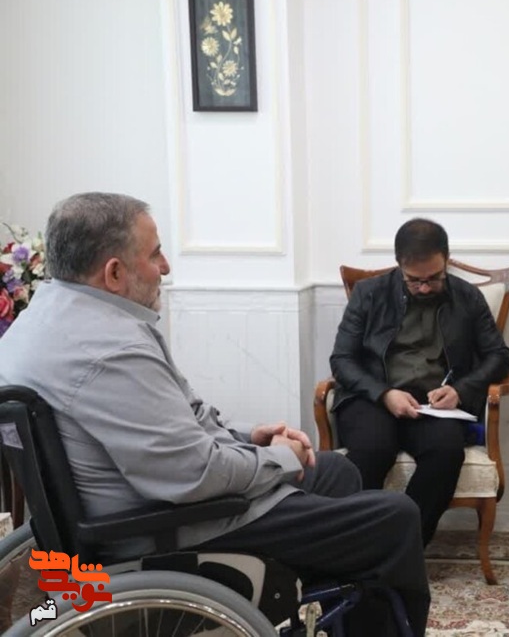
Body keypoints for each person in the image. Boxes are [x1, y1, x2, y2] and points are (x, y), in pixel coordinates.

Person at [0, 192, 430, 635]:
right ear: (114, 272)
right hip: (168, 528)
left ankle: (318, 593)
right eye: (155, 254)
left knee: (335, 472)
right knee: (394, 518)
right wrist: (279, 458)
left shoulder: (42, 321)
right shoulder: (111, 350)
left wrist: (249, 437)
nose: (166, 266)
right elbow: (194, 475)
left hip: (126, 511)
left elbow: (182, 417)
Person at [330, 218, 509, 547]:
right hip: (373, 397)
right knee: (373, 450)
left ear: (446, 260)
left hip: (432, 404)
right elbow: (342, 360)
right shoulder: (369, 293)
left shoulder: (467, 297)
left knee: (446, 452)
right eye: (415, 280)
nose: (425, 288)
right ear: (399, 264)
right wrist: (384, 394)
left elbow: (498, 357)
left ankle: (403, 545)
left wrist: (460, 390)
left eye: (434, 278)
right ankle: (358, 546)